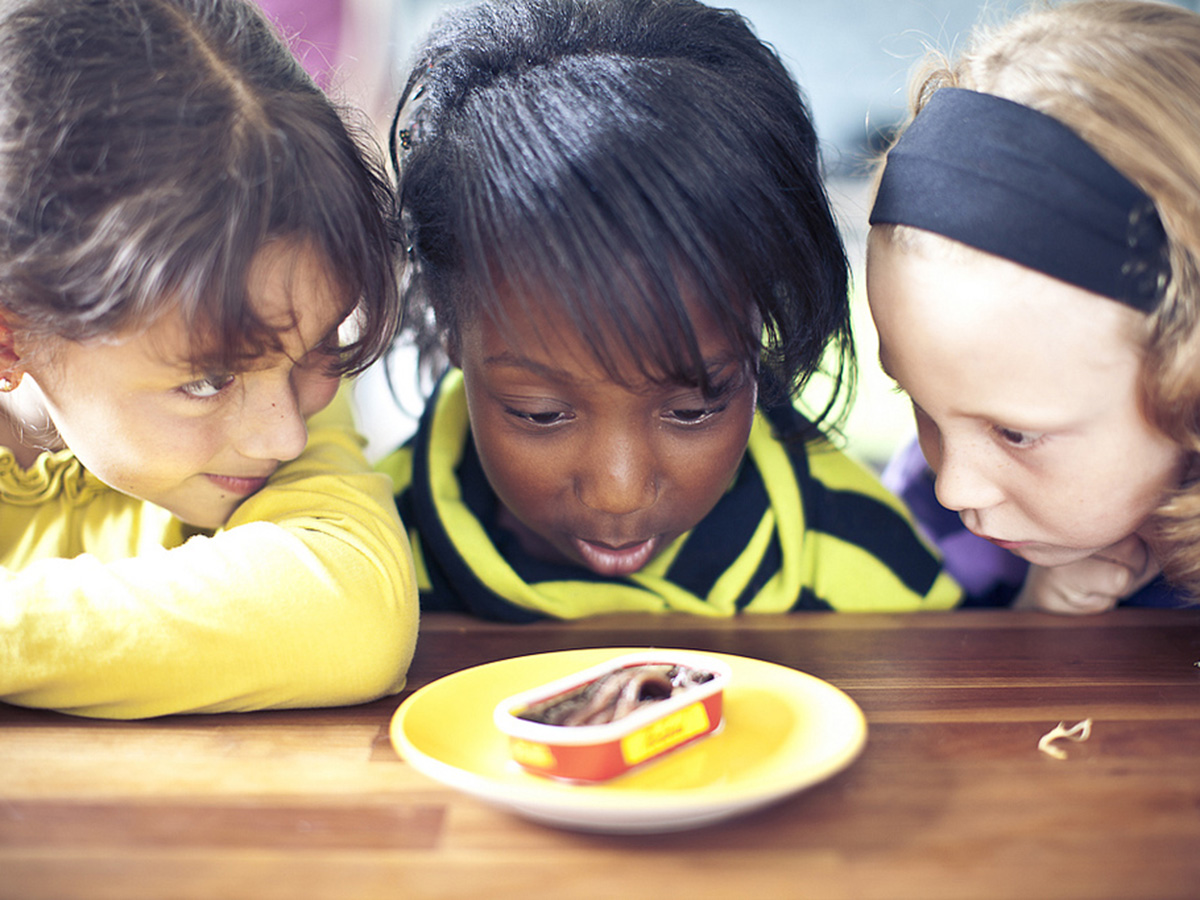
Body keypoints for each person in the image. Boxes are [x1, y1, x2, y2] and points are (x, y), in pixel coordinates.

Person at [378, 0, 961, 621]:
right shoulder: (372, 566)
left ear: (760, 319)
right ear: (447, 320)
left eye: (693, 410)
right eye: (542, 415)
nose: (619, 492)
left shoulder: (865, 564)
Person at [0, 0, 419, 717]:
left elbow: (353, 615)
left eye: (321, 348)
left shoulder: (271, 352)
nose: (285, 437)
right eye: (205, 382)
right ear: (13, 339)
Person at [866, 0, 1200, 614]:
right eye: (918, 404)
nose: (952, 487)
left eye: (1015, 434)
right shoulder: (920, 516)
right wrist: (1032, 617)